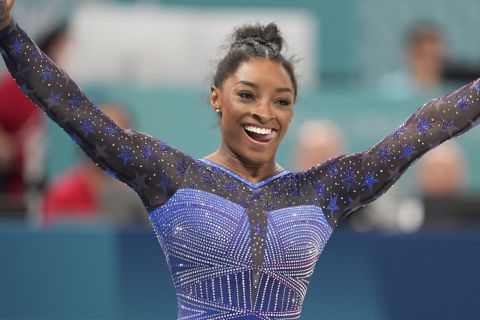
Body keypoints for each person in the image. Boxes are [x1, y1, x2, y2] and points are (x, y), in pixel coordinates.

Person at [1, 1, 480, 318]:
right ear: (216, 98)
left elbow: (420, 132)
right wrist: (7, 31)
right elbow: (76, 114)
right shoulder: (172, 177)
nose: (264, 114)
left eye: (282, 100)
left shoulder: (320, 190)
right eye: (247, 94)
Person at [0, 19, 69, 216]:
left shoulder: (74, 96)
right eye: (67, 46)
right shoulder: (19, 84)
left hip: (58, 191)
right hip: (17, 195)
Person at [42, 103, 148, 226]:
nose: (109, 144)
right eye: (101, 134)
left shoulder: (144, 194)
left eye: (118, 136)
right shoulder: (62, 194)